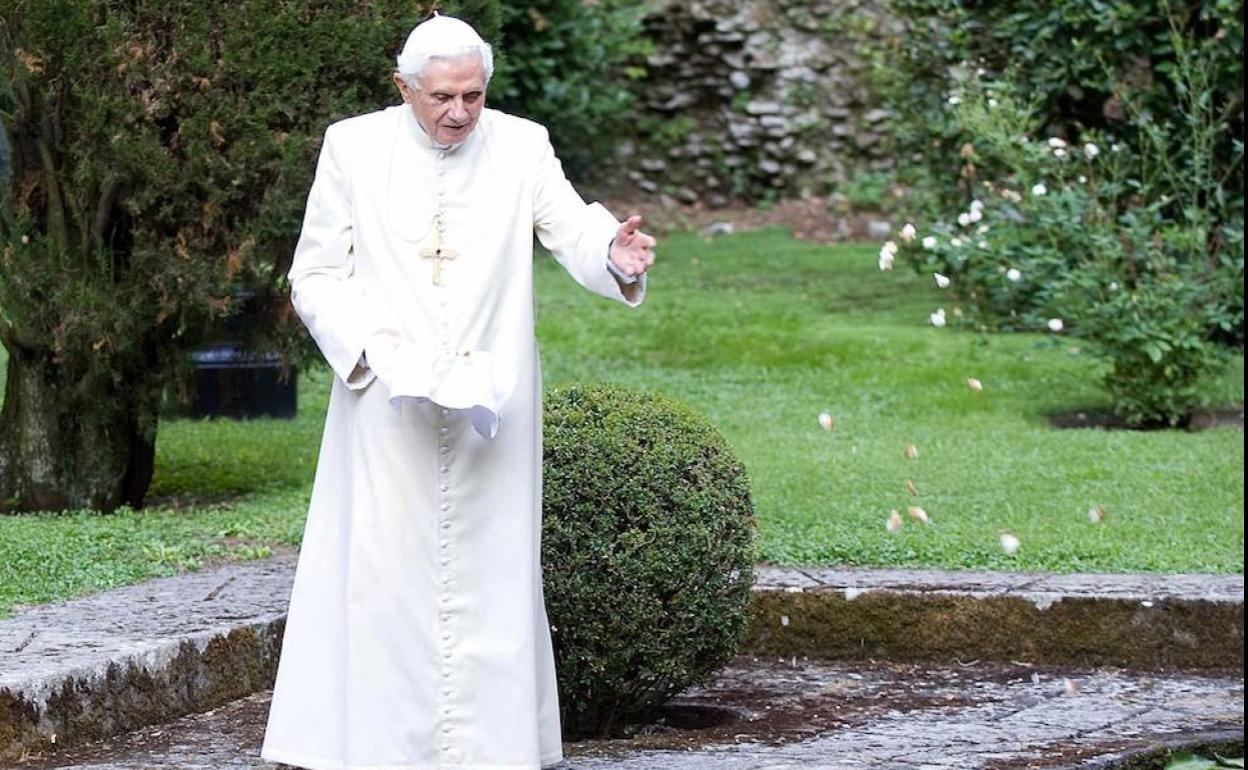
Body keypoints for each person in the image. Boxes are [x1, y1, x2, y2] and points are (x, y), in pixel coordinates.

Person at [259, 12, 656, 770]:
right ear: (404, 87)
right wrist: (372, 356)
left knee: (491, 567)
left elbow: (570, 228)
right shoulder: (353, 145)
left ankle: (490, 751)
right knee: (382, 573)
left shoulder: (523, 143)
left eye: (473, 96)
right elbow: (314, 274)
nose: (459, 113)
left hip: (491, 396)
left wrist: (614, 251)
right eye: (442, 96)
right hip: (385, 396)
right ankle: (374, 749)